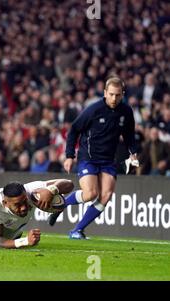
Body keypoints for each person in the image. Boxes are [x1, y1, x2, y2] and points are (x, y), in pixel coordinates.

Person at [48, 76, 139, 239]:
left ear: (123, 94)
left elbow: (129, 135)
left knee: (106, 195)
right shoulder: (93, 110)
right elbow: (74, 129)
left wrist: (133, 153)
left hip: (108, 160)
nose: (114, 98)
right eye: (111, 94)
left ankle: (77, 230)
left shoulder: (126, 111)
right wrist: (69, 156)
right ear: (105, 93)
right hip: (88, 157)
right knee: (90, 193)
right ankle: (60, 205)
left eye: (118, 95)